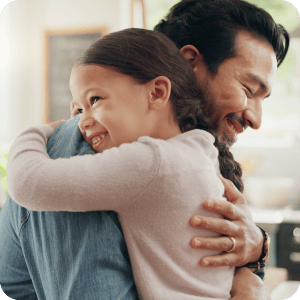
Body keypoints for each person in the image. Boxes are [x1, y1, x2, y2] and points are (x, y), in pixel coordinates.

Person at [0, 0, 288, 299]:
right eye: (248, 90)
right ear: (189, 62)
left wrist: (256, 252)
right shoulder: (85, 145)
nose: (256, 119)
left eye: (94, 100)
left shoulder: (199, 154)